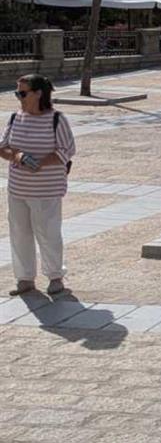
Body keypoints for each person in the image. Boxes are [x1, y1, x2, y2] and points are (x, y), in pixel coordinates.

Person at [0, 75, 77, 296]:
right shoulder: (16, 118)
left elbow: (66, 150)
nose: (19, 98)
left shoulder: (57, 119)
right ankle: (24, 278)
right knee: (19, 233)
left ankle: (55, 276)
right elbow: (2, 147)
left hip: (46, 190)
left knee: (48, 233)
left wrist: (39, 163)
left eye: (23, 93)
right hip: (18, 189)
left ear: (38, 94)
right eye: (17, 93)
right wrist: (18, 156)